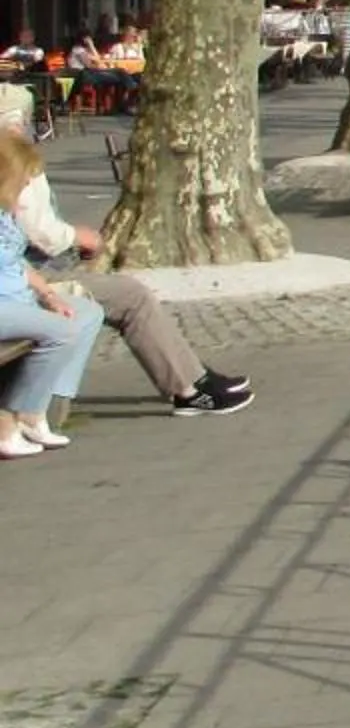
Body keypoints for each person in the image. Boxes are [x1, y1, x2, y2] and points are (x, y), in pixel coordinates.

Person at [0, 96, 253, 416]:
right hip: (23, 284)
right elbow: (43, 235)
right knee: (129, 296)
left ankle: (191, 377)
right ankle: (188, 387)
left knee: (122, 293)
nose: (27, 127)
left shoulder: (13, 160)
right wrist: (79, 239)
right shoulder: (15, 164)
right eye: (23, 119)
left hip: (23, 278)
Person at [0, 129, 104, 457]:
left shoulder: (7, 212)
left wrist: (48, 295)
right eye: (22, 179)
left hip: (15, 297)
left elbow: (16, 263)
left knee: (86, 313)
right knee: (62, 330)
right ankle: (9, 421)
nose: (26, 186)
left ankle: (39, 410)